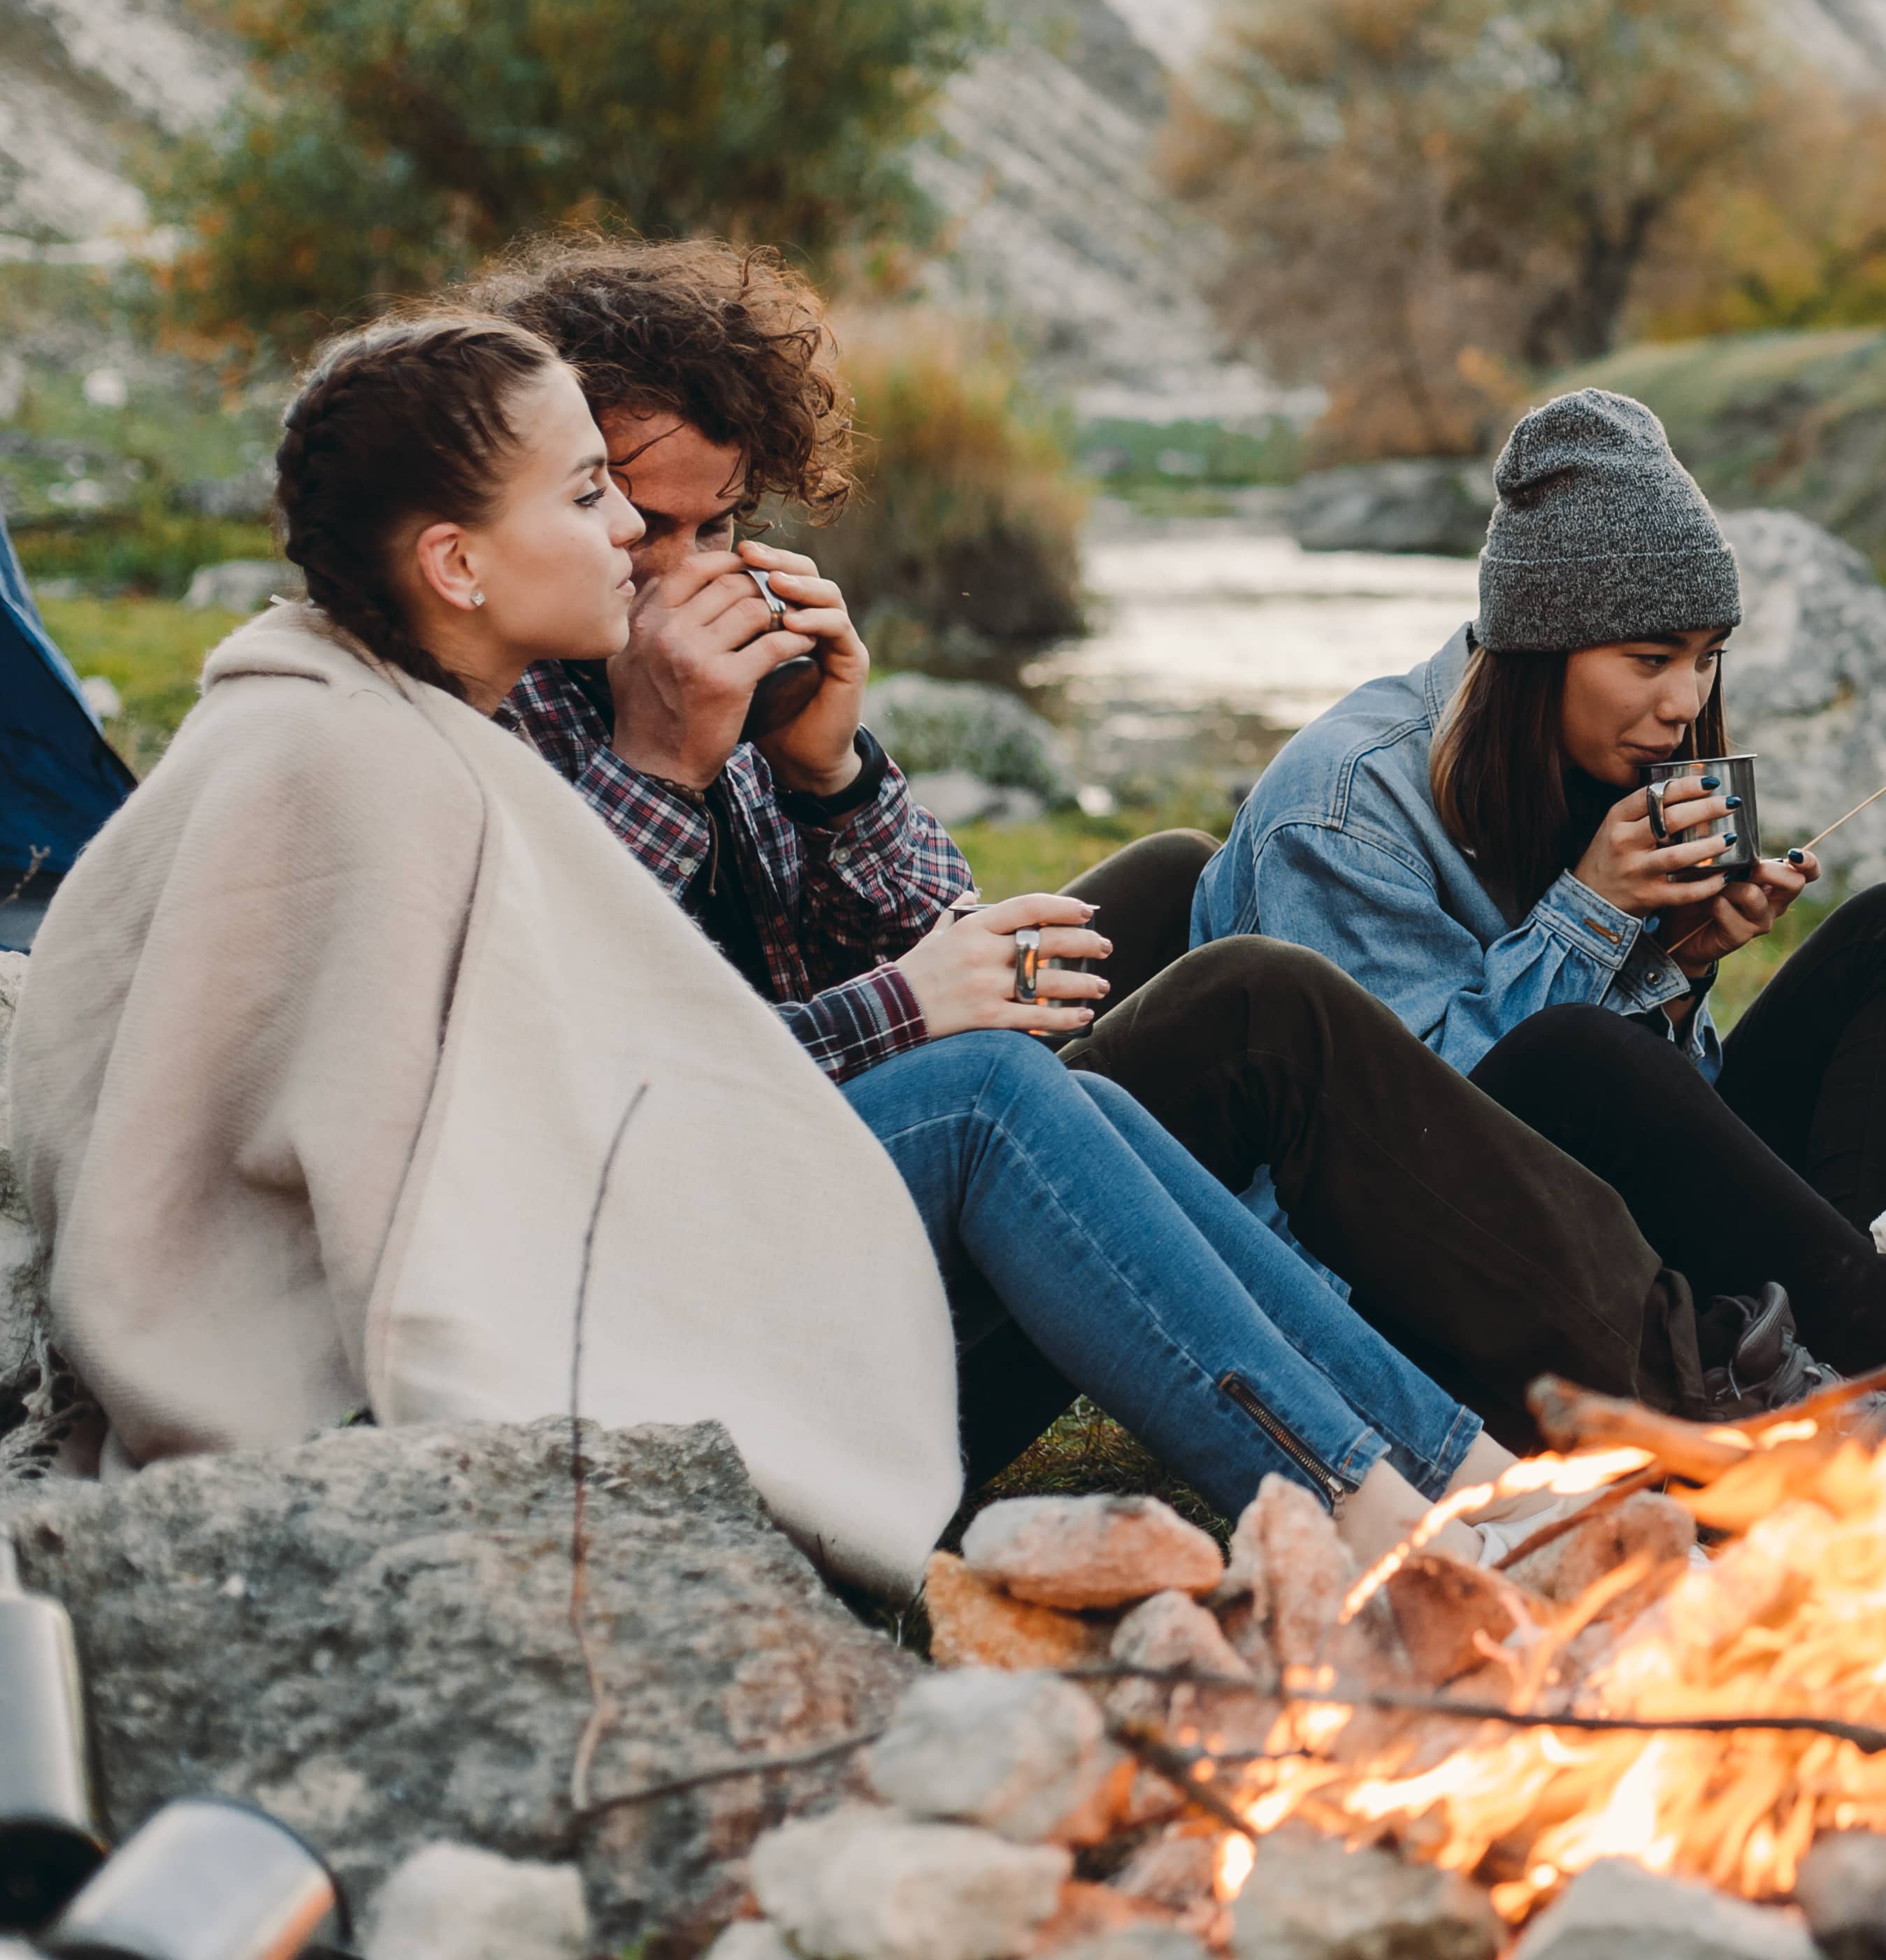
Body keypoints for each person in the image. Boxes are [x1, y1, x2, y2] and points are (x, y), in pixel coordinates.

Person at [6, 319, 1541, 1582]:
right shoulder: (357, 764)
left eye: (691, 518)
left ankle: (1459, 1478)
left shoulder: (446, 714)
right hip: (461, 1352)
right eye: (598, 499)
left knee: (1078, 1082)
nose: (645, 548)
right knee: (989, 1096)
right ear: (460, 565)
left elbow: (633, 1053)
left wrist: (830, 769)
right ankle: (1383, 1529)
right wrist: (858, 971)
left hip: (659, 1253)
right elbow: (519, 1134)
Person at [461, 240, 1799, 1452]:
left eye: (728, 526)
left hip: (848, 1217)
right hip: (738, 1326)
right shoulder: (503, 721)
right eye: (641, 524)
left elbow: (959, 953)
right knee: (1250, 1003)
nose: (698, 571)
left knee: (1164, 886)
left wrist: (828, 776)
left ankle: (1396, 1312)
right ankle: (1608, 1408)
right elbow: (610, 1084)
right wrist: (676, 774)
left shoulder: (691, 674)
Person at [1195, 389, 1886, 1372]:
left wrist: (1677, 961)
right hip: (1383, 1287)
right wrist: (1590, 912)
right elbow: (1401, 1144)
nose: (1683, 702)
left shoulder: (1599, 764)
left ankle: (1819, 1334)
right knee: (1572, 1046)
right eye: (1650, 659)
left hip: (1590, 1226)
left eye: (1706, 659)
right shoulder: (1343, 808)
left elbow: (1659, 1107)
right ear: (1538, 650)